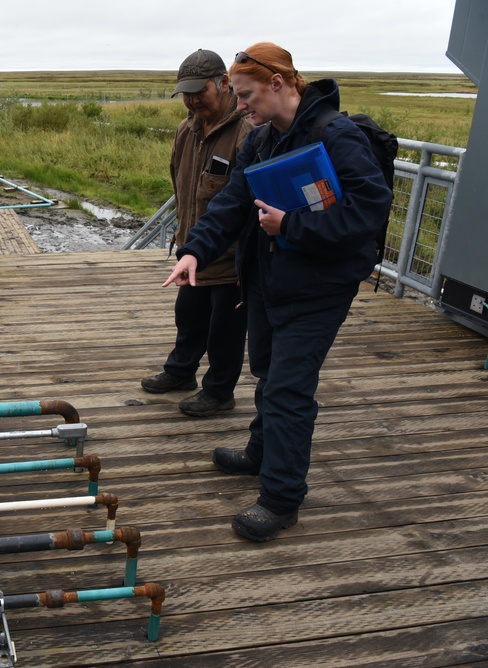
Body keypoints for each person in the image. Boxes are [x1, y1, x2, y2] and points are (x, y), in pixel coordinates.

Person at [162, 43, 392, 541]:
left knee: (289, 389)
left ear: (279, 83)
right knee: (267, 371)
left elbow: (368, 212)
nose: (241, 105)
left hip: (319, 288)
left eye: (246, 95)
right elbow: (231, 204)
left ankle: (281, 497)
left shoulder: (338, 136)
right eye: (237, 96)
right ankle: (261, 452)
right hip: (267, 279)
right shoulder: (262, 139)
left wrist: (291, 225)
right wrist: (194, 252)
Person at [140, 49, 252, 418]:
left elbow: (244, 199)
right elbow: (181, 184)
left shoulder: (246, 130)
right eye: (184, 93)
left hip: (230, 255)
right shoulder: (186, 129)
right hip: (193, 246)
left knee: (226, 328)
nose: (190, 100)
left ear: (223, 83)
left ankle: (219, 392)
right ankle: (181, 372)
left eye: (198, 91)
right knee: (188, 315)